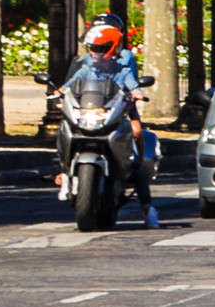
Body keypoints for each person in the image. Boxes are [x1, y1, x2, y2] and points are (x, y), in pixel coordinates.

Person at [63, 22, 160, 227]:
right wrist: (59, 92)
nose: (96, 54)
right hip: (91, 111)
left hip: (120, 109)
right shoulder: (86, 68)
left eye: (100, 49)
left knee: (136, 132)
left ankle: (146, 203)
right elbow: (71, 84)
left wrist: (137, 92)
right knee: (65, 129)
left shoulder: (122, 69)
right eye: (93, 49)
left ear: (113, 48)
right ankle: (64, 172)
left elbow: (132, 84)